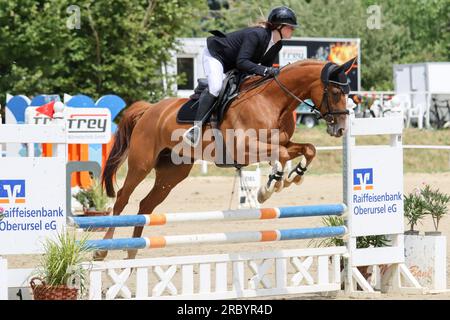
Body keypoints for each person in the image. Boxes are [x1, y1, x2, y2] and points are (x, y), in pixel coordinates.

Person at [183, 6, 298, 146]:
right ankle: (195, 129)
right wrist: (267, 71)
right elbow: (243, 61)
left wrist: (272, 73)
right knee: (216, 87)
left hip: (235, 64)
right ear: (279, 26)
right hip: (217, 56)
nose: (293, 30)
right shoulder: (256, 35)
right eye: (290, 27)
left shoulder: (277, 44)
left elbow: (264, 68)